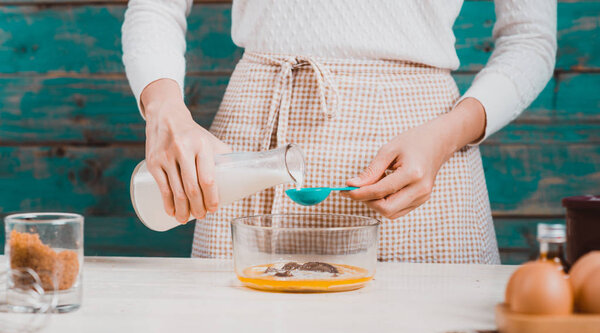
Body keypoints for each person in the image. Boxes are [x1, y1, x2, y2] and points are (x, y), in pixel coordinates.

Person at [122, 0, 556, 263]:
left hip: (425, 152)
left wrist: (447, 135)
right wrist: (164, 112)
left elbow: (530, 37)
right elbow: (155, 6)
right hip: (257, 138)